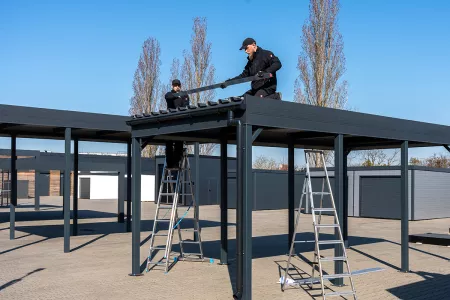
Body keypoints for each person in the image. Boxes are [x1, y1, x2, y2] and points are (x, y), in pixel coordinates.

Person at [164, 79, 190, 168]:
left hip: (180, 123)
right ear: (172, 86)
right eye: (175, 85)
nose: (177, 87)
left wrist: (180, 96)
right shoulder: (169, 94)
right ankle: (170, 164)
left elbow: (186, 105)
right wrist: (176, 95)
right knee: (169, 144)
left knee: (179, 143)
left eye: (178, 85)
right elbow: (167, 97)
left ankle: (176, 163)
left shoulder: (184, 95)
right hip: (170, 122)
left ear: (180, 86)